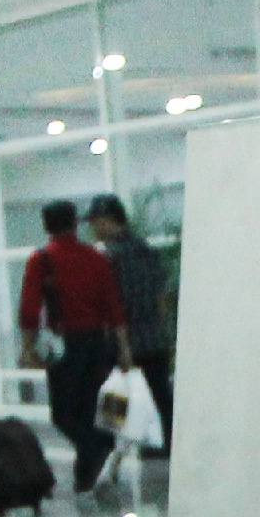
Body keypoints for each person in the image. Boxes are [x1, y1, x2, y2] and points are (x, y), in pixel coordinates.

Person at [15, 197, 127, 494]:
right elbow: (113, 305)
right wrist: (123, 346)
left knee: (64, 413)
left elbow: (29, 307)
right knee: (90, 408)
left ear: (46, 226)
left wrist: (27, 347)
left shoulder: (42, 259)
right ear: (75, 223)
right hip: (98, 342)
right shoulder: (96, 257)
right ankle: (86, 472)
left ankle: (93, 450)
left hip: (65, 344)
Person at [84, 193, 172, 455]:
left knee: (114, 399)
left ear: (109, 220)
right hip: (153, 339)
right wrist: (163, 332)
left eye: (96, 221)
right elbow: (162, 297)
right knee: (160, 398)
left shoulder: (105, 257)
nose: (93, 228)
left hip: (121, 342)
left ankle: (112, 454)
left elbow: (108, 304)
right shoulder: (147, 250)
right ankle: (163, 446)